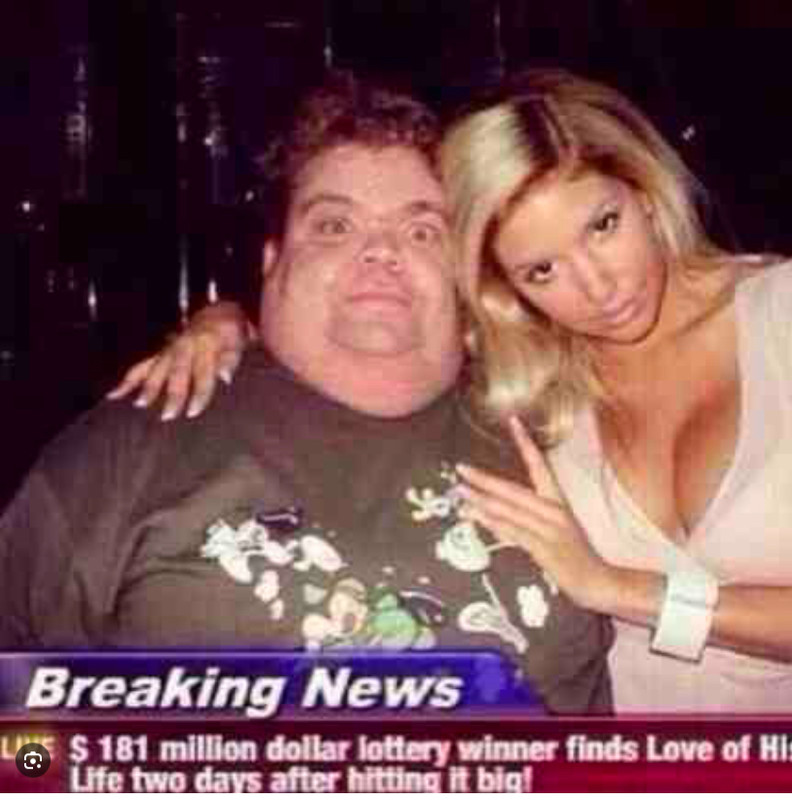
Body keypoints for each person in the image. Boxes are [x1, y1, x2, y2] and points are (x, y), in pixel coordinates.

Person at [122, 69, 792, 713]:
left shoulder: (779, 318)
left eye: (602, 226)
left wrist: (618, 589)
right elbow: (358, 329)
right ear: (505, 288)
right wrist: (225, 324)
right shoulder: (531, 382)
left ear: (642, 190)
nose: (598, 287)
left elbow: (613, 590)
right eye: (542, 269)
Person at [0, 72, 613, 715]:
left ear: (466, 278)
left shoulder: (561, 435)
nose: (381, 251)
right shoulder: (133, 445)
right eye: (334, 226)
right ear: (272, 261)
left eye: (422, 231)